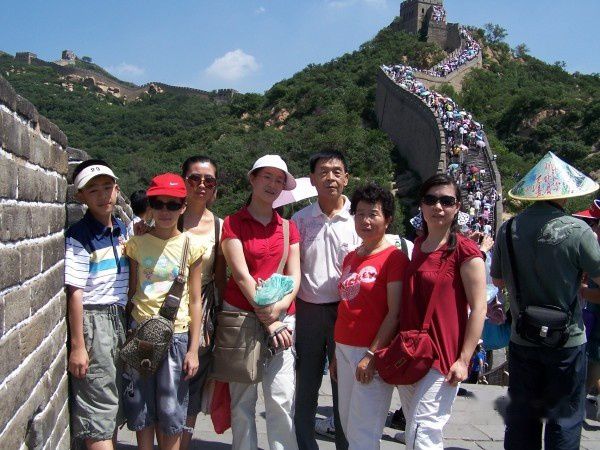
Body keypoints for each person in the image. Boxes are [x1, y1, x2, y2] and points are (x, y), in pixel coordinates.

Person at [491, 152, 600, 450]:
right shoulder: (578, 230)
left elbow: (498, 281)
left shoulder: (508, 229)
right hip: (567, 340)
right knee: (564, 418)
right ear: (564, 193)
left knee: (522, 418)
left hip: (523, 337)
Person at [396, 174, 487, 449]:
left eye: (446, 201)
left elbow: (479, 308)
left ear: (457, 207)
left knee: (422, 432)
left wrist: (464, 359)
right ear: (421, 205)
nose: (438, 206)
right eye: (431, 199)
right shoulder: (418, 247)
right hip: (410, 352)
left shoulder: (465, 251)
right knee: (415, 429)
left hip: (443, 358)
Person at [221, 154, 301, 450]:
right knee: (243, 398)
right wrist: (270, 320)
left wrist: (277, 313)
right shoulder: (233, 223)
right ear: (252, 179)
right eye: (267, 177)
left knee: (281, 396)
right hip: (242, 318)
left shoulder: (288, 228)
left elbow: (295, 277)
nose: (272, 184)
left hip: (283, 319)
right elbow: (242, 277)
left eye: (279, 180)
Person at [124, 173, 205, 450]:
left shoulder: (192, 246)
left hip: (176, 335)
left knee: (171, 411)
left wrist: (193, 350)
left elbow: (195, 300)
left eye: (173, 205)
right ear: (150, 206)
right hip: (141, 333)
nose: (165, 211)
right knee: (141, 406)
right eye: (159, 204)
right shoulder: (136, 244)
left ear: (183, 207)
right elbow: (131, 290)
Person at [332, 183, 410, 449]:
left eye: (373, 214)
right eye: (360, 213)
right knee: (347, 425)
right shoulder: (351, 258)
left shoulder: (394, 259)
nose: (365, 220)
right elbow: (346, 306)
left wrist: (372, 354)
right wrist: (336, 354)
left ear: (387, 219)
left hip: (370, 352)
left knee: (364, 432)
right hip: (343, 348)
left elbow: (394, 313)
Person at [291, 150, 358, 450]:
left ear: (346, 178)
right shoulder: (300, 220)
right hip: (308, 311)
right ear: (312, 179)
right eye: (323, 172)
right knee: (305, 387)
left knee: (344, 389)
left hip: (347, 312)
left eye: (336, 171)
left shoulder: (359, 219)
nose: (330, 177)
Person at [65, 159, 129, 450]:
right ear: (81, 197)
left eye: (107, 187)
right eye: (93, 191)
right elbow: (75, 293)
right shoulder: (80, 236)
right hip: (95, 322)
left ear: (117, 190)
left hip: (119, 318)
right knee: (98, 411)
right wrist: (78, 346)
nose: (103, 196)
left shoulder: (121, 229)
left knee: (111, 407)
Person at [177, 155, 227, 449]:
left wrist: (222, 320)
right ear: (184, 180)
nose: (202, 185)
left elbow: (220, 278)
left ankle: (182, 443)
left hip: (203, 308)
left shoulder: (220, 226)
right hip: (165, 306)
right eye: (195, 178)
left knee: (193, 381)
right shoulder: (167, 213)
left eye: (209, 180)